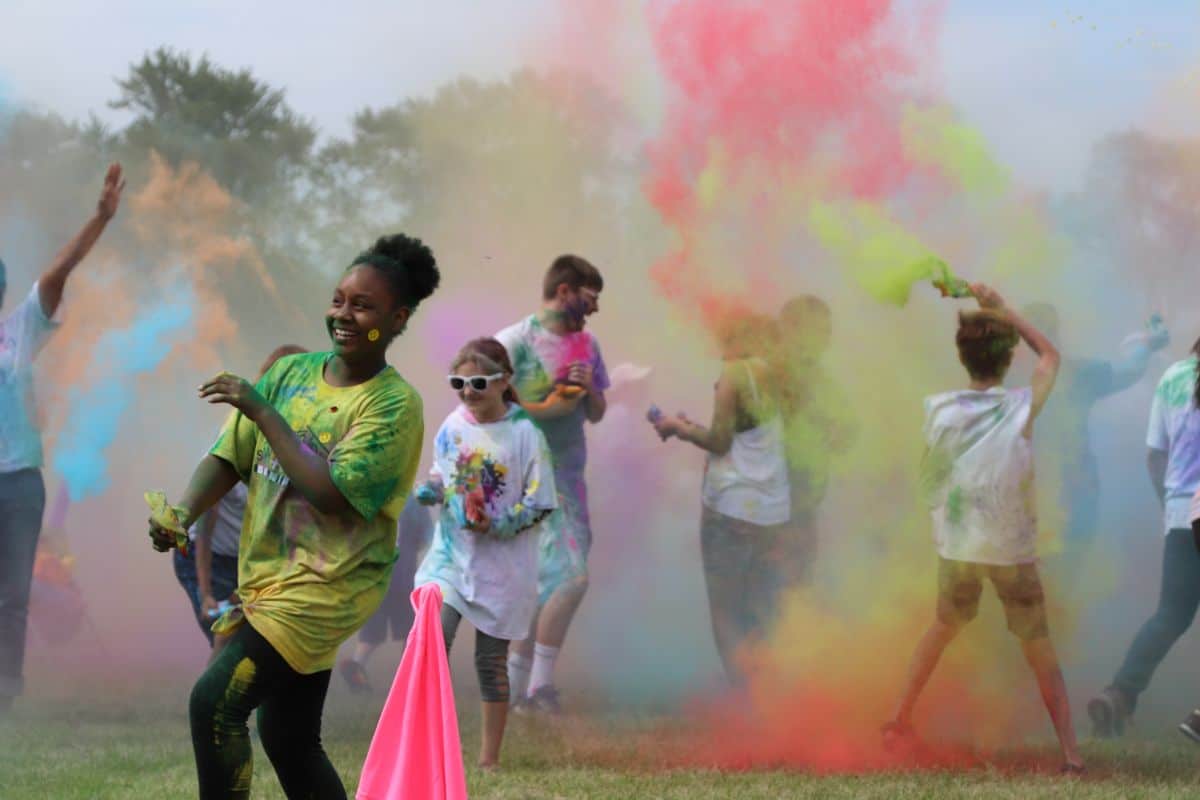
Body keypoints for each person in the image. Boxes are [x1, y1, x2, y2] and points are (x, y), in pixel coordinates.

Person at [148, 234, 438, 800]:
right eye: (338, 300)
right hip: (268, 577)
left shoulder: (393, 405)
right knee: (288, 736)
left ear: (397, 319)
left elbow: (328, 493)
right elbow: (229, 456)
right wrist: (182, 513)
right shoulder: (290, 374)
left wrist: (262, 409)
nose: (343, 315)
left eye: (363, 306)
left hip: (326, 586)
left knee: (214, 703)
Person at [882, 283, 1083, 773]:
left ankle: (898, 719)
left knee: (943, 626)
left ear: (962, 355)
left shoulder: (939, 410)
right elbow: (1051, 355)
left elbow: (927, 480)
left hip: (959, 547)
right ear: (1009, 357)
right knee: (1038, 646)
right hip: (1011, 549)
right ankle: (1071, 754)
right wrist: (1004, 310)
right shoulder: (1020, 406)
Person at [0, 163, 124, 715]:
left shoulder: (17, 332)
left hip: (19, 482)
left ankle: (5, 690)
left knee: (13, 596)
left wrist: (99, 220)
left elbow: (56, 274)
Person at [413, 337, 557, 766]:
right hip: (450, 557)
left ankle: (488, 759)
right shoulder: (452, 424)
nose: (467, 392)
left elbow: (541, 502)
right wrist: (431, 489)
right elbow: (441, 473)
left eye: (478, 383)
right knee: (432, 636)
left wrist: (495, 524)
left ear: (503, 381)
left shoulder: (525, 433)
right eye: (458, 383)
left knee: (490, 662)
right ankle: (427, 747)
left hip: (502, 568)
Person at [652, 311, 791, 686]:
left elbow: (720, 441)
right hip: (773, 511)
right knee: (760, 610)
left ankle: (746, 701)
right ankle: (771, 695)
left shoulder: (733, 374)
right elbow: (747, 436)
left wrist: (678, 428)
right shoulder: (774, 374)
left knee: (726, 612)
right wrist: (694, 426)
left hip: (730, 508)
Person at [496, 255, 609, 713]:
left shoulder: (588, 343)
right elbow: (484, 408)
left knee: (548, 583)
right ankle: (537, 689)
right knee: (569, 579)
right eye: (590, 297)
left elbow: (597, 413)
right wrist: (543, 402)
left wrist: (591, 388)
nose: (595, 308)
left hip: (570, 480)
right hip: (525, 481)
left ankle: (517, 692)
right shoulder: (514, 342)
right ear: (564, 292)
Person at [1088, 337, 1200, 739]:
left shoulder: (1174, 377)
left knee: (1171, 615)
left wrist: (1169, 506)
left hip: (1182, 514)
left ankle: (1120, 693)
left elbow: (1155, 455)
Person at [172, 345, 307, 664]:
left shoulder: (295, 446)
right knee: (228, 639)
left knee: (254, 642)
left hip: (247, 559)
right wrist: (206, 593)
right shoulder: (234, 443)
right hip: (205, 556)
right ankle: (215, 695)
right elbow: (205, 527)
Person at [1020, 303, 1168, 572]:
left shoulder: (1005, 378)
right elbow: (1130, 370)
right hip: (1071, 495)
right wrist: (1147, 343)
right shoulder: (1077, 372)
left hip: (1027, 500)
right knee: (1061, 577)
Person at [775, 295, 856, 587]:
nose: (827, 340)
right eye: (821, 331)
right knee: (780, 591)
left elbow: (849, 429)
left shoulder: (820, 378)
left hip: (804, 505)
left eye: (828, 332)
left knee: (798, 586)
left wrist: (839, 432)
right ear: (794, 329)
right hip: (775, 507)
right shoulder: (770, 374)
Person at [338, 495, 433, 693]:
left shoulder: (374, 496)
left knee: (372, 631)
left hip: (375, 574)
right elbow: (426, 537)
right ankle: (411, 678)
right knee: (410, 629)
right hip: (403, 575)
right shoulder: (413, 500)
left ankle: (356, 664)